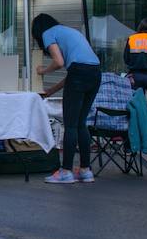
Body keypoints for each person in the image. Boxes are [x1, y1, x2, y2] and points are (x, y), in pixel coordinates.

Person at [33, 14, 101, 184]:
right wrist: (51, 91)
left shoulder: (48, 33)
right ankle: (85, 170)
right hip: (95, 72)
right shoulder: (69, 31)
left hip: (79, 73)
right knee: (81, 123)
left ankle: (66, 171)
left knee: (70, 125)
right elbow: (73, 74)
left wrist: (43, 71)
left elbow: (59, 62)